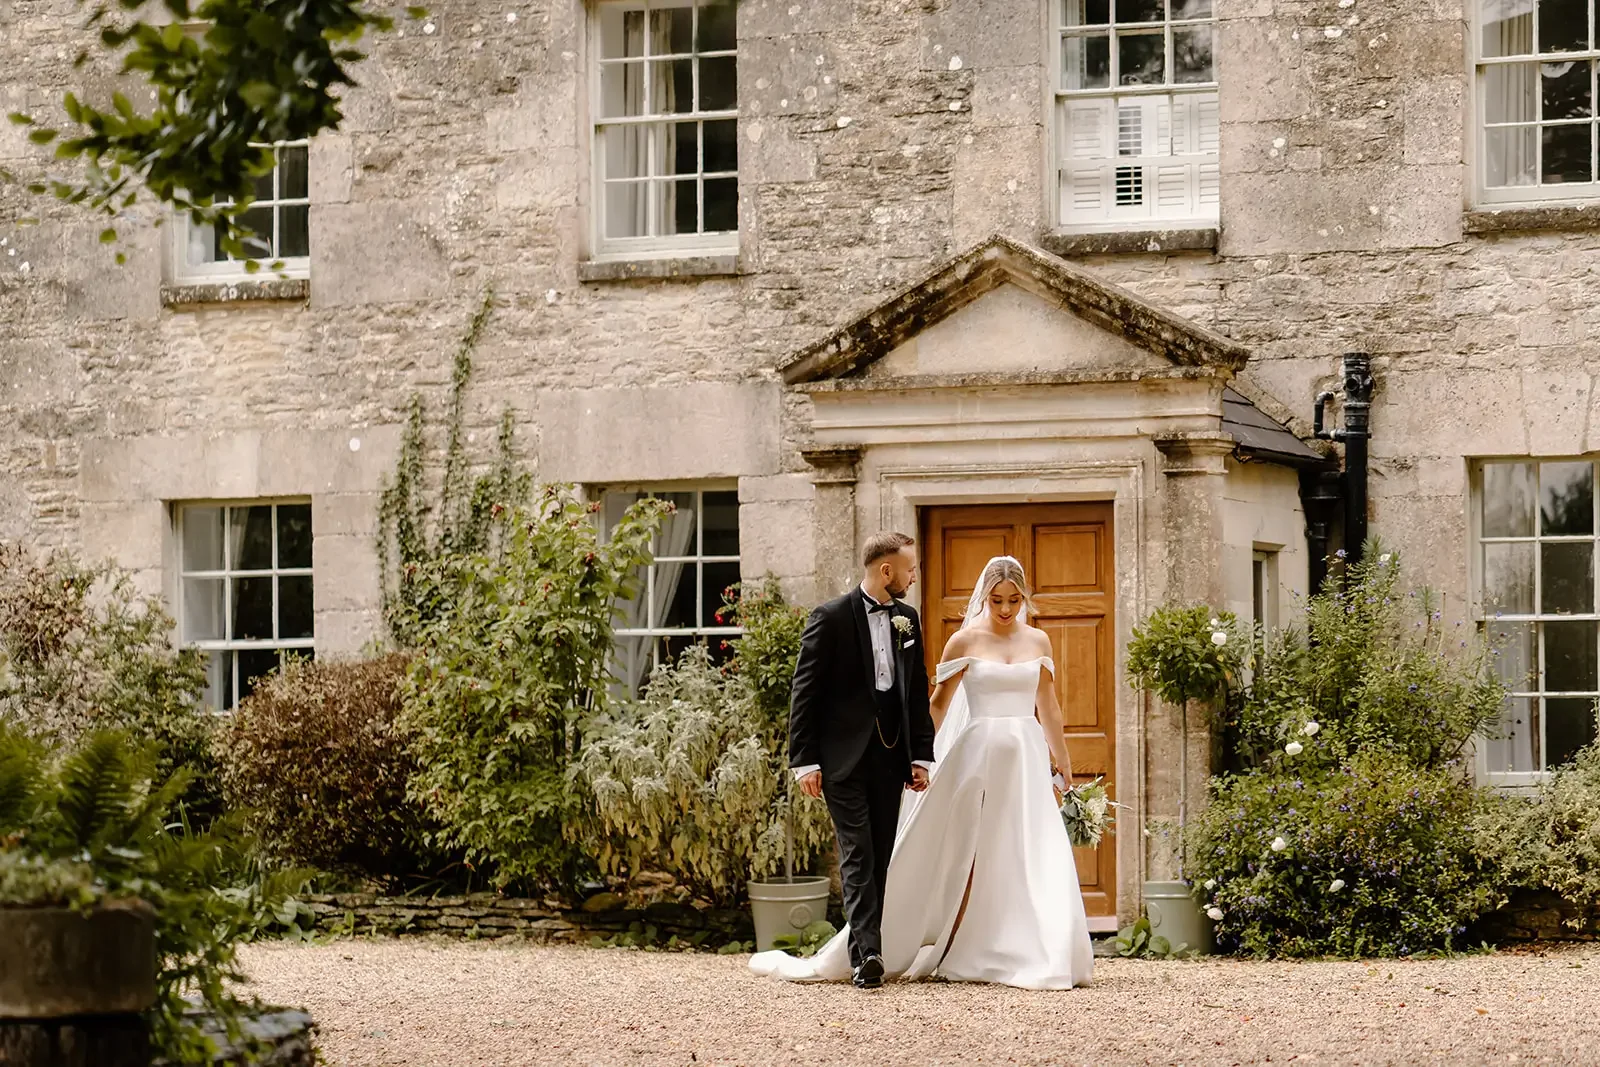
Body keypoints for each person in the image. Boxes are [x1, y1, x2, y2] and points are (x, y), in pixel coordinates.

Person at [751, 553, 1094, 990]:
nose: (1005, 609)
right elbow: (934, 705)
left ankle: (1045, 949)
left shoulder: (1039, 642)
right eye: (996, 600)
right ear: (984, 599)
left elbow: (1049, 704)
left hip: (1027, 757)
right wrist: (918, 756)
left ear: (1024, 597)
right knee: (949, 849)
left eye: (1013, 600)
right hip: (976, 757)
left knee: (1034, 847)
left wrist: (1061, 761)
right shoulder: (963, 641)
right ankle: (882, 944)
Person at [782, 531, 935, 989]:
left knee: (881, 855)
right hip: (841, 761)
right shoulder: (828, 618)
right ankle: (867, 953)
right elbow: (804, 692)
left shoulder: (907, 619)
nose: (913, 577)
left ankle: (867, 943)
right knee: (857, 851)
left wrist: (921, 755)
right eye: (909, 568)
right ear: (886, 570)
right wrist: (804, 761)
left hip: (891, 758)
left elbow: (916, 691)